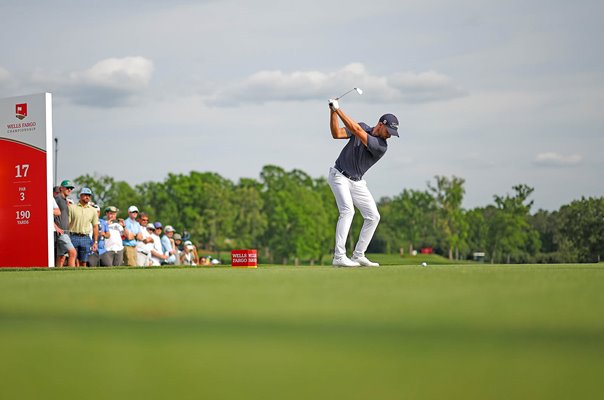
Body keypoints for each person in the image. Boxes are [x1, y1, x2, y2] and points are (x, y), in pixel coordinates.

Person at [326, 98, 400, 267]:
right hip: (339, 175)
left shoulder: (381, 146)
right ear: (380, 124)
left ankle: (358, 255)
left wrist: (338, 109)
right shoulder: (363, 127)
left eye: (391, 133)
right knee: (347, 211)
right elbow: (336, 133)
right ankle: (339, 256)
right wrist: (332, 112)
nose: (389, 135)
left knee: (373, 216)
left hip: (357, 182)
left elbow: (357, 130)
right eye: (388, 130)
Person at [68, 187, 99, 267]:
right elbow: (67, 223)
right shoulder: (72, 207)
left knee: (83, 262)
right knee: (72, 257)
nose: (87, 197)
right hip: (73, 236)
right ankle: (70, 276)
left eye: (89, 195)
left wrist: (95, 242)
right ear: (81, 196)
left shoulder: (93, 210)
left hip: (85, 237)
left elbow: (95, 226)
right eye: (85, 195)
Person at [54, 179, 77, 267]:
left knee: (61, 257)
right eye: (67, 188)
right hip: (61, 232)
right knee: (73, 253)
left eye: (71, 188)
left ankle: (56, 277)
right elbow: (48, 213)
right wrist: (55, 227)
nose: (69, 190)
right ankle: (73, 275)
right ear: (61, 188)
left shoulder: (64, 200)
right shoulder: (58, 198)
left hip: (65, 231)